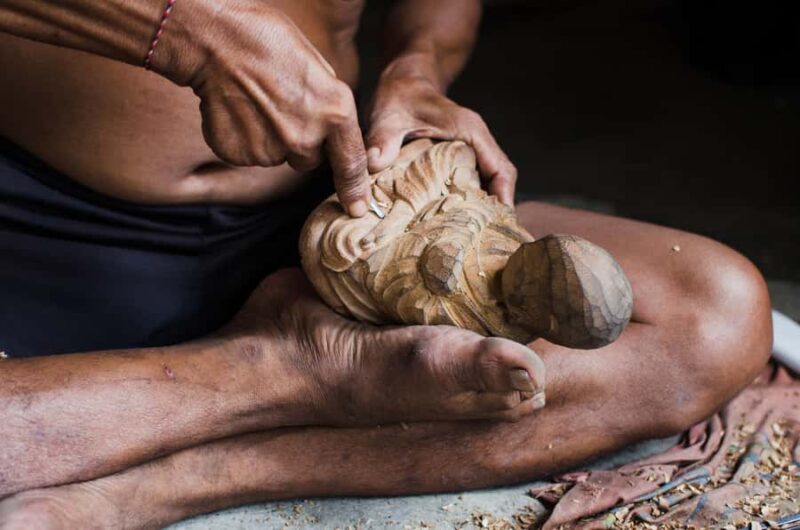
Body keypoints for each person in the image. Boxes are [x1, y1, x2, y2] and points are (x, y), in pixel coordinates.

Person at [0, 1, 772, 528]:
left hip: (342, 202)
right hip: (50, 229)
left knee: (713, 316)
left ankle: (172, 483)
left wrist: (419, 67)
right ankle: (285, 368)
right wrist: (187, 32)